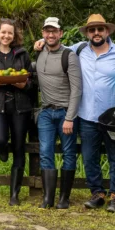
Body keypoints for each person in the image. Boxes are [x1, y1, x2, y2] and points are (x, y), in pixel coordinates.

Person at [34, 14, 115, 213]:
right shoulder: (79, 49)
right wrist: (42, 41)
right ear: (87, 33)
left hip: (113, 118)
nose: (96, 33)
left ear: (107, 31)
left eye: (100, 29)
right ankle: (97, 193)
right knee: (89, 157)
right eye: (92, 30)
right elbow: (56, 46)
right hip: (87, 116)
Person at [0, 18, 34, 206]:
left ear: (14, 35)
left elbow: (31, 80)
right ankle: (1, 148)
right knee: (1, 139)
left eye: (10, 33)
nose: (6, 36)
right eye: (3, 32)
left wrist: (24, 84)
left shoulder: (22, 53)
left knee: (20, 148)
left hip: (20, 107)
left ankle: (14, 194)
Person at [35, 17, 81, 209]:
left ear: (61, 33)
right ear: (43, 33)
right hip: (46, 112)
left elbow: (77, 89)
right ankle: (48, 198)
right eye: (47, 31)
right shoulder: (39, 52)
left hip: (65, 113)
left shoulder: (69, 56)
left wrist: (70, 117)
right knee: (45, 153)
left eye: (54, 31)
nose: (51, 35)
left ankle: (64, 198)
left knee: (69, 153)